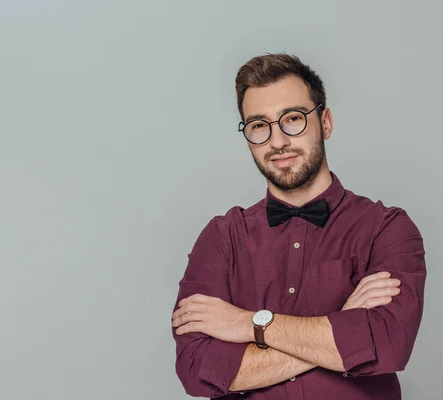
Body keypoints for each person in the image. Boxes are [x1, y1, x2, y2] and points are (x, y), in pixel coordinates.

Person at [171, 53, 426, 399]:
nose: (277, 142)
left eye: (292, 119)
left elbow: (384, 346)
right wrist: (342, 323)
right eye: (259, 125)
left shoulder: (387, 228)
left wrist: (245, 323)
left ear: (326, 122)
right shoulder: (220, 238)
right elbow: (198, 370)